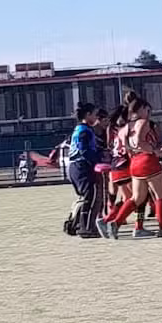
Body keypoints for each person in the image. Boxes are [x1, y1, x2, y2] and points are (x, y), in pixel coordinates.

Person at [97, 97, 162, 239]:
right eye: (147, 110)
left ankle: (115, 222)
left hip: (134, 162)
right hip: (147, 161)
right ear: (140, 109)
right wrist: (155, 151)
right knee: (160, 196)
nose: (148, 113)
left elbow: (126, 147)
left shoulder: (124, 128)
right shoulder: (143, 122)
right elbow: (140, 141)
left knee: (136, 198)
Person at [67, 102, 102, 238]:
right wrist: (97, 159)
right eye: (94, 114)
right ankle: (86, 228)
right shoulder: (84, 131)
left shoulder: (81, 129)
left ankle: (76, 224)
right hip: (81, 167)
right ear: (88, 115)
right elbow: (84, 150)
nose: (96, 118)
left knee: (86, 197)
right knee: (90, 198)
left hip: (77, 167)